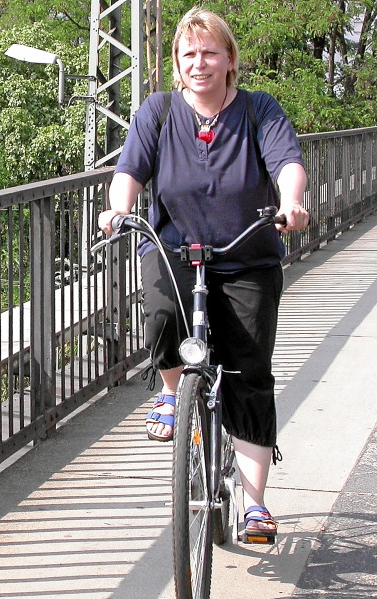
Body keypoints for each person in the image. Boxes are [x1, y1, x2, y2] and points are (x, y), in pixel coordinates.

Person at [98, 6, 309, 539]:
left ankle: (254, 504)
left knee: (248, 372)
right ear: (177, 61)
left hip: (246, 257)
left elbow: (287, 163)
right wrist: (119, 209)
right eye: (189, 53)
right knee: (162, 316)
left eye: (210, 52)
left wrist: (291, 202)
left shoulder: (259, 110)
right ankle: (173, 393)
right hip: (175, 248)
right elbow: (130, 169)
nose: (199, 63)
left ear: (230, 59)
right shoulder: (159, 112)